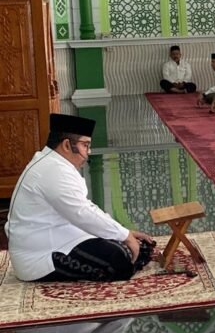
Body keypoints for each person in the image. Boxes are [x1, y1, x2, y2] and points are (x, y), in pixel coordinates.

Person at [5, 114, 153, 282]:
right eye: (85, 145)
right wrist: (125, 236)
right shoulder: (53, 170)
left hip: (60, 236)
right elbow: (82, 213)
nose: (88, 152)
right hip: (40, 255)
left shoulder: (54, 163)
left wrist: (123, 232)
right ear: (67, 145)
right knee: (119, 259)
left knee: (133, 246)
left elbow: (86, 208)